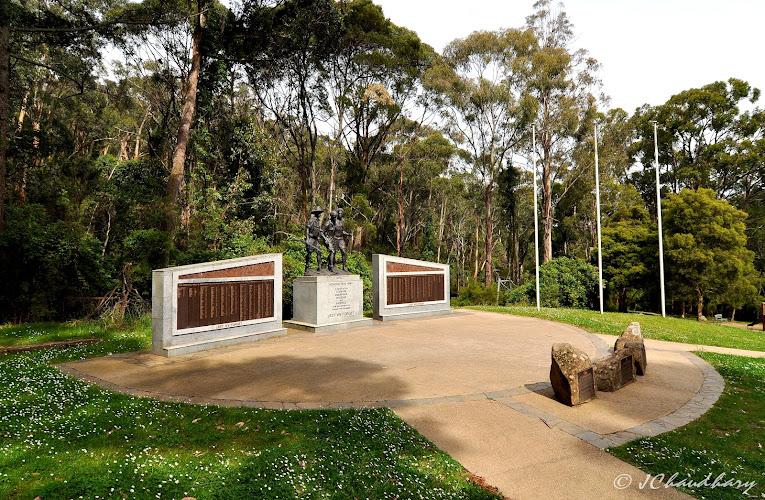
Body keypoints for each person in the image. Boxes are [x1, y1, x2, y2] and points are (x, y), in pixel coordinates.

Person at [305, 206, 324, 273]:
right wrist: (307, 239)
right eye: (319, 213)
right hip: (311, 239)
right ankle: (306, 267)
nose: (320, 214)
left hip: (316, 240)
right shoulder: (311, 220)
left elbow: (318, 230)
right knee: (309, 253)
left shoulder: (318, 221)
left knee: (319, 252)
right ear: (316, 213)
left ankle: (319, 267)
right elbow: (307, 229)